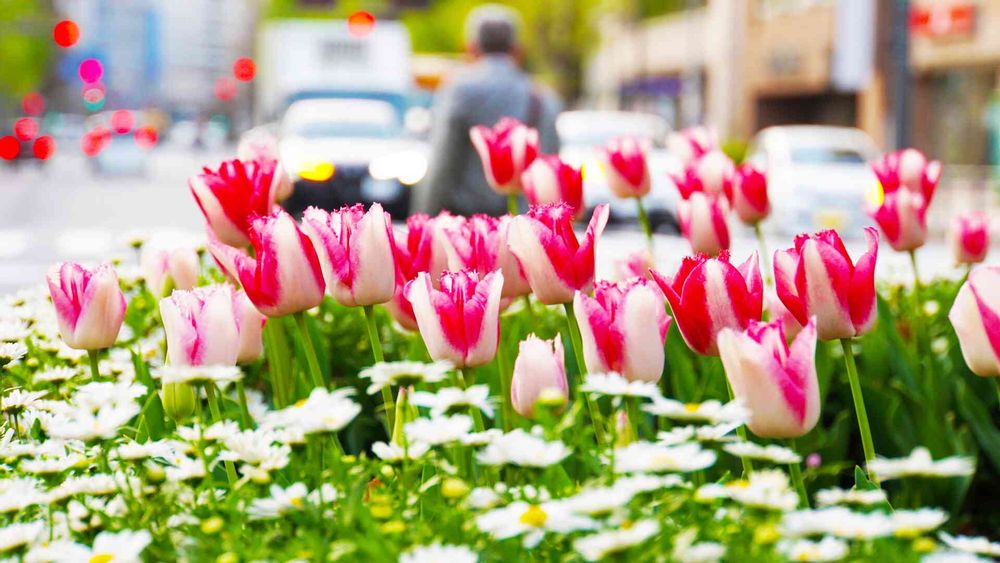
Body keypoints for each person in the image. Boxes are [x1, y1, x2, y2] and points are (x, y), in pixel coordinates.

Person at [412, 4, 560, 216]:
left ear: (471, 48)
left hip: (467, 227)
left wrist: (423, 220)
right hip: (520, 230)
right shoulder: (541, 97)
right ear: (518, 50)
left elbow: (441, 167)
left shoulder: (458, 91)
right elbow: (549, 174)